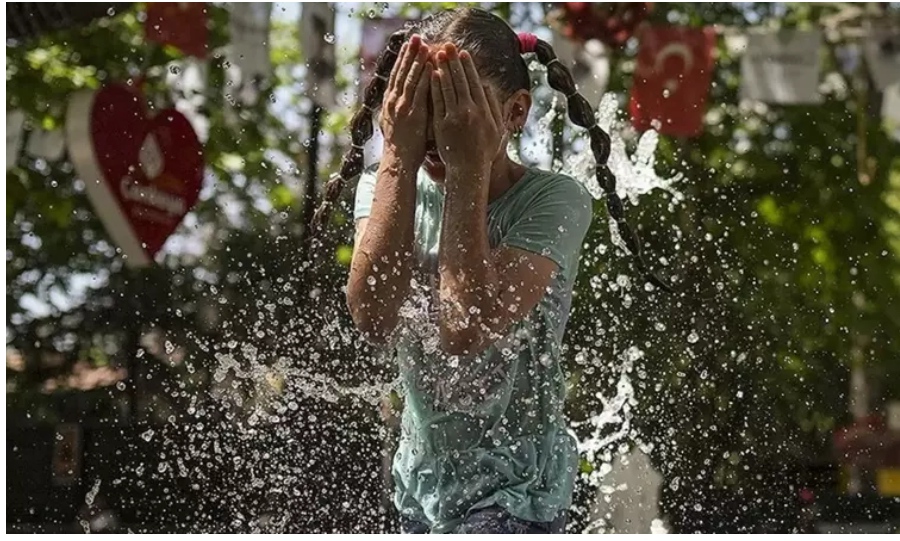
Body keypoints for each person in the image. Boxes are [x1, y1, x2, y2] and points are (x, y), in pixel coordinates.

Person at [312, 7, 651, 534]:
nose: (439, 132)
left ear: (515, 112)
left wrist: (468, 167)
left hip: (520, 495)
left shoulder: (553, 201)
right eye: (424, 112)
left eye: (458, 111)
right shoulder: (388, 183)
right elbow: (373, 319)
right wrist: (398, 155)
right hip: (418, 489)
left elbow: (466, 329)